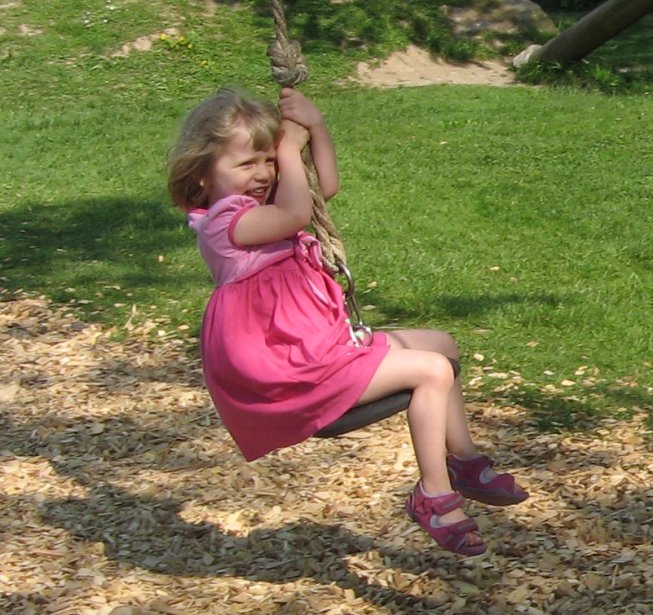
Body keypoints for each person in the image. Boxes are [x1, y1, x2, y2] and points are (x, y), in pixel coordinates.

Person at [168, 85, 528, 557]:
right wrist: (289, 148)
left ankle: (464, 460)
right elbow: (298, 210)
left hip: (317, 345)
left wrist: (314, 125)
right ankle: (435, 497)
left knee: (442, 344)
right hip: (285, 367)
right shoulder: (225, 224)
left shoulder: (264, 205)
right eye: (246, 163)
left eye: (268, 160)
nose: (263, 173)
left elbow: (322, 191)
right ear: (201, 177)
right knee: (432, 371)